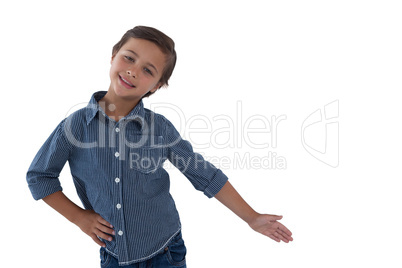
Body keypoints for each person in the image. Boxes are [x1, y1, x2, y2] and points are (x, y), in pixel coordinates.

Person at [26, 25, 293, 268]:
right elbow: (40, 176)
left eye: (148, 70)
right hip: (114, 256)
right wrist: (79, 218)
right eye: (129, 58)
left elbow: (204, 174)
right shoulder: (75, 127)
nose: (133, 70)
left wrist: (251, 217)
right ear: (113, 55)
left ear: (156, 86)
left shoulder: (160, 129)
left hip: (166, 251)